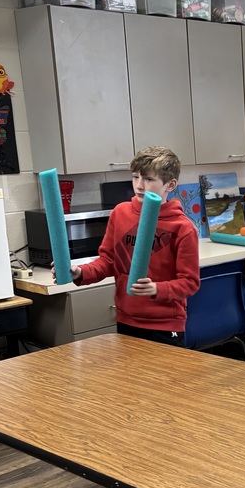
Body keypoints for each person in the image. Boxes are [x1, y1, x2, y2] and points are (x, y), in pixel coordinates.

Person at [57, 146, 200, 346]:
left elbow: (190, 283)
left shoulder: (183, 228)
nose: (140, 185)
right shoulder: (120, 213)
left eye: (149, 179)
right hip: (126, 319)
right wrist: (80, 272)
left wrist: (156, 289)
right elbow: (108, 261)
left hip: (165, 324)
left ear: (170, 184)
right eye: (135, 177)